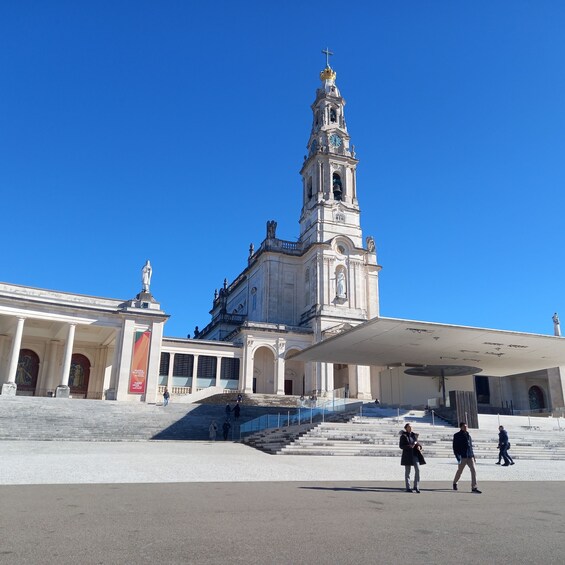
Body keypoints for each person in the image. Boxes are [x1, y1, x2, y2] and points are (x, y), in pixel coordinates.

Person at [452, 422, 482, 493]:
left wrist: (473, 456)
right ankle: (455, 483)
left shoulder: (468, 435)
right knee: (460, 471)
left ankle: (474, 487)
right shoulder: (457, 435)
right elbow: (455, 447)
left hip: (470, 456)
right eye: (464, 426)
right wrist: (457, 456)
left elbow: (470, 447)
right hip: (462, 456)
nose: (466, 428)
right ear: (461, 427)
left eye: (466, 426)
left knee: (473, 470)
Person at [399, 423, 425, 493]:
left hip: (415, 454)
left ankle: (416, 486)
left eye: (411, 427)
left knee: (418, 470)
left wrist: (419, 446)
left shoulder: (414, 435)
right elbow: (401, 446)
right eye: (409, 427)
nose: (411, 428)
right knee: (408, 472)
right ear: (406, 428)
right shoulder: (403, 436)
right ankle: (408, 487)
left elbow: (417, 443)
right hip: (407, 455)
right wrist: (410, 446)